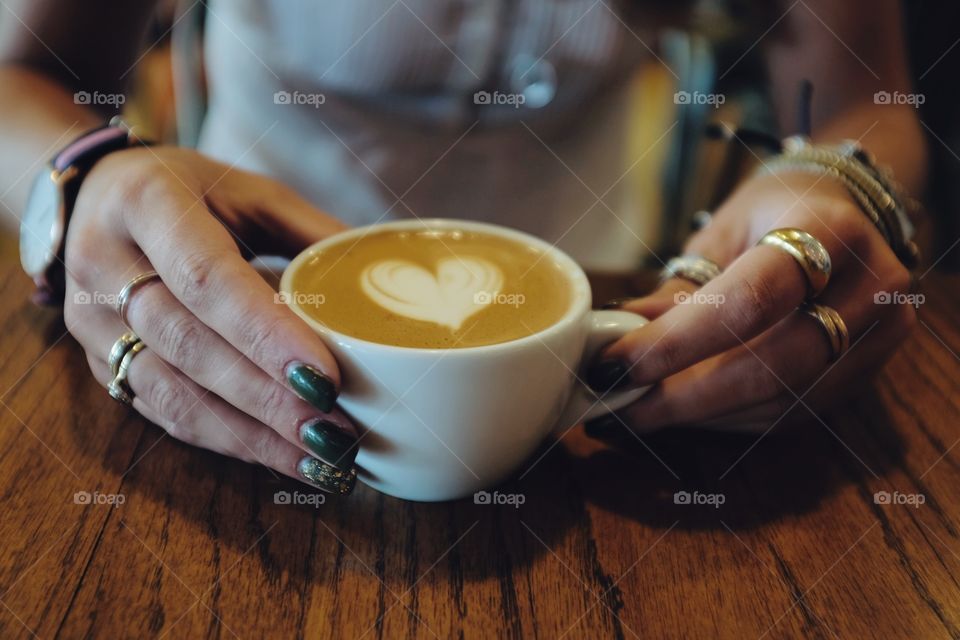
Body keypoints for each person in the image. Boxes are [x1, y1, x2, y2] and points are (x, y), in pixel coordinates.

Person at [0, 0, 925, 495]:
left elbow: (869, 103)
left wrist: (843, 183)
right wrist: (82, 178)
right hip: (241, 320)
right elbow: (23, 80)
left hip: (604, 316)